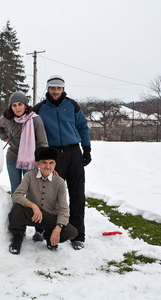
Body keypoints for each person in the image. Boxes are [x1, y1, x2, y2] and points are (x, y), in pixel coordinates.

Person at [33, 75, 91, 251]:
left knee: (77, 195)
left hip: (73, 152)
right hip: (52, 156)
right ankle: (45, 230)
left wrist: (87, 149)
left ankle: (77, 235)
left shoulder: (72, 106)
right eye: (52, 88)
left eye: (59, 88)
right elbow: (30, 128)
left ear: (63, 89)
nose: (56, 91)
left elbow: (82, 126)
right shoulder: (40, 109)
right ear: (48, 89)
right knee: (49, 196)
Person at [0, 91, 48, 242]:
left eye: (20, 104)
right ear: (11, 107)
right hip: (13, 158)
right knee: (16, 192)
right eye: (14, 105)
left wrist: (43, 162)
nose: (17, 108)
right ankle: (18, 227)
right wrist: (5, 138)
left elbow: (43, 142)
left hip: (31, 159)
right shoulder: (7, 119)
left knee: (33, 193)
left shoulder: (35, 120)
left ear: (26, 105)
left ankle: (39, 229)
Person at [8, 147, 78, 254]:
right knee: (17, 208)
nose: (48, 166)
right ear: (37, 164)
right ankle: (18, 236)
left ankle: (49, 236)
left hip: (49, 217)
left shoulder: (59, 182)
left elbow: (63, 209)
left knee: (71, 232)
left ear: (55, 164)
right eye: (44, 163)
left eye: (51, 163)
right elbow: (17, 195)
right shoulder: (29, 176)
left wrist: (58, 228)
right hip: (32, 214)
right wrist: (33, 205)